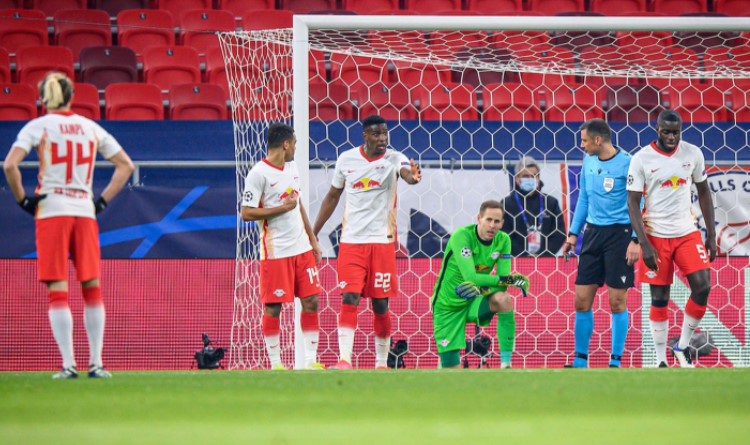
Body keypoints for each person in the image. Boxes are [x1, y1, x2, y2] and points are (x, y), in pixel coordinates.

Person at [3, 72, 134, 379]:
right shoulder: (90, 127)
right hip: (84, 211)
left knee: (57, 291)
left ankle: (68, 365)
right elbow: (125, 165)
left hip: (51, 211)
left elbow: (10, 164)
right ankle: (97, 364)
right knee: (92, 287)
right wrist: (100, 202)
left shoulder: (38, 126)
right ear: (72, 96)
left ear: (42, 98)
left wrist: (23, 200)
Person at [313, 115, 421, 369]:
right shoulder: (346, 159)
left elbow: (406, 174)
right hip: (351, 242)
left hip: (382, 242)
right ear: (365, 136)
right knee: (349, 296)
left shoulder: (395, 158)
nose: (382, 138)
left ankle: (382, 363)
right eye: (376, 134)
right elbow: (332, 196)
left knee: (380, 302)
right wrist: (313, 231)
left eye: (385, 133)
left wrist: (413, 177)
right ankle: (344, 360)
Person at [626, 110, 716, 368]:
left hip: (687, 232)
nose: (671, 136)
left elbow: (704, 192)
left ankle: (683, 345)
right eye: (666, 131)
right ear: (657, 129)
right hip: (655, 234)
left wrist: (710, 234)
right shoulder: (641, 158)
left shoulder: (693, 153)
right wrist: (643, 243)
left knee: (702, 286)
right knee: (660, 297)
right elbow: (632, 202)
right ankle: (659, 359)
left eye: (676, 132)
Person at [240, 123, 324, 371]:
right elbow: (246, 213)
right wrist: (281, 209)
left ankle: (310, 362)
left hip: (302, 249)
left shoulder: (293, 167)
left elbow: (297, 205)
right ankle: (276, 365)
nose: (296, 147)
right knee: (273, 306)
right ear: (286, 144)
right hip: (276, 252)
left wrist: (313, 239)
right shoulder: (258, 173)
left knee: (311, 301)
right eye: (295, 143)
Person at [562, 119, 640, 368]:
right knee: (581, 299)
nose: (581, 145)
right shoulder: (588, 161)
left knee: (617, 301)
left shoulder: (628, 163)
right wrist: (573, 235)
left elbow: (638, 204)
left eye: (584, 140)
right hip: (593, 234)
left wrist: (636, 240)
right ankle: (580, 361)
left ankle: (615, 362)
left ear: (598, 140)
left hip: (620, 235)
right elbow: (583, 198)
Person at [431, 200, 530, 369]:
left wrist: (485, 288)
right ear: (479, 218)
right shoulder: (461, 236)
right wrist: (511, 280)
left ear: (502, 223)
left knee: (503, 299)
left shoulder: (503, 240)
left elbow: (502, 282)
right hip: (448, 305)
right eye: (488, 220)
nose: (492, 225)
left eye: (497, 221)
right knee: (451, 371)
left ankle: (506, 364)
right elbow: (472, 277)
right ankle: (446, 360)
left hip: (474, 300)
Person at [501, 156, 566, 257]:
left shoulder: (550, 202)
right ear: (517, 179)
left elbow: (559, 233)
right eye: (526, 176)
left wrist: (542, 254)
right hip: (516, 260)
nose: (531, 179)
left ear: (539, 178)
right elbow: (503, 234)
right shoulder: (506, 204)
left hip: (546, 260)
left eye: (534, 176)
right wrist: (524, 255)